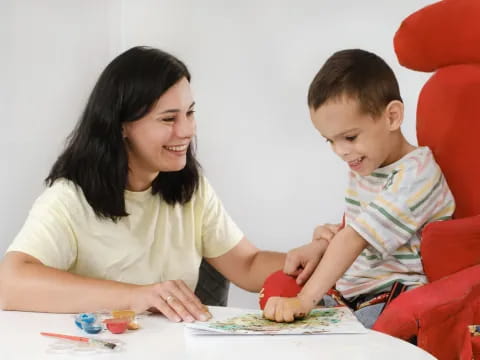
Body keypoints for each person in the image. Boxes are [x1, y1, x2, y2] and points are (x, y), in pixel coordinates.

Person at [0, 46, 285, 322]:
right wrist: (137, 297)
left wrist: (316, 259)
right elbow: (10, 284)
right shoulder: (69, 198)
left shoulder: (191, 189)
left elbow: (248, 266)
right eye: (169, 118)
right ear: (122, 124)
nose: (186, 131)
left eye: (190, 113)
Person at [263, 49, 455, 328]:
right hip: (352, 292)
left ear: (392, 117)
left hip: (392, 294)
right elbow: (353, 229)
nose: (341, 151)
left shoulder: (417, 174)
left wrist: (305, 300)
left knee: (345, 334)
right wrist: (324, 242)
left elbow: (355, 238)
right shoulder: (368, 163)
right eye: (329, 141)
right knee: (277, 298)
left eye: (350, 137)